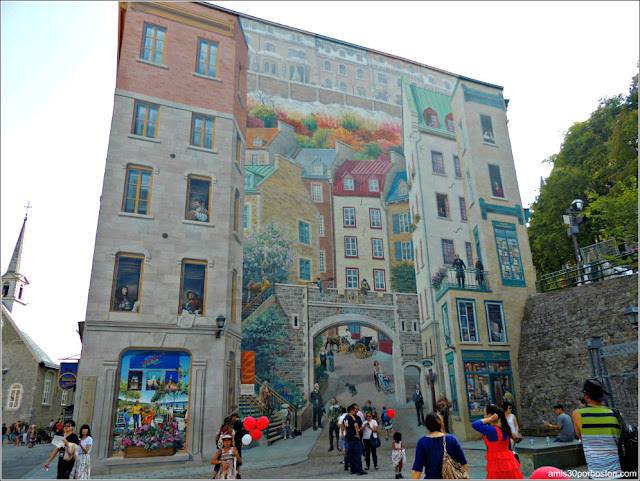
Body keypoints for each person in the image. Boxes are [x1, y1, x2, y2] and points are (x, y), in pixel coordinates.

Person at [571, 379, 622, 477]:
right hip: (618, 472)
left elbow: (582, 438)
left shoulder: (577, 414)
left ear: (586, 396)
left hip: (596, 473)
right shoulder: (616, 414)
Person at [411, 412, 468, 479]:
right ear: (441, 424)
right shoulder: (451, 439)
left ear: (427, 427)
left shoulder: (422, 442)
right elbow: (463, 464)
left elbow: (417, 470)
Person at [471, 404, 523, 479]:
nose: (484, 416)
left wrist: (489, 419)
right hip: (509, 464)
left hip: (497, 466)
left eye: (485, 414)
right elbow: (509, 448)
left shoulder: (492, 430)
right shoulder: (504, 429)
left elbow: (475, 425)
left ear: (489, 415)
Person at [344, 404, 367, 475]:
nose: (355, 412)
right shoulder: (352, 417)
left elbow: (344, 427)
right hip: (354, 438)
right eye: (354, 410)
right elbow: (356, 426)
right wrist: (357, 434)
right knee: (357, 454)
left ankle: (352, 469)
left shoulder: (345, 418)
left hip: (349, 438)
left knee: (351, 455)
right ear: (351, 411)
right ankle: (359, 470)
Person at [230, 413, 246, 479]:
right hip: (240, 441)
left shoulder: (236, 423)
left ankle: (233, 472)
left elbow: (234, 434)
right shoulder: (242, 423)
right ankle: (239, 473)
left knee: (234, 457)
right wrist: (242, 443)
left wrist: (233, 444)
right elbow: (244, 434)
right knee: (239, 457)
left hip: (236, 442)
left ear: (234, 417)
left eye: (232, 417)